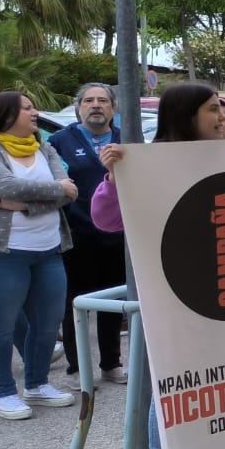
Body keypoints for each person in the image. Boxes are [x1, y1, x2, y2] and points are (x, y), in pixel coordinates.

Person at [91, 83, 225, 449]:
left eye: (224, 110)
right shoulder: (146, 165)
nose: (223, 117)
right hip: (176, 295)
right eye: (213, 109)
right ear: (186, 116)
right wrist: (116, 179)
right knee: (170, 384)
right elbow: (107, 221)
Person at [0, 92, 79, 420]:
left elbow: (70, 190)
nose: (35, 112)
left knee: (47, 322)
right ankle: (4, 394)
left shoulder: (44, 146)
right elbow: (8, 186)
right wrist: (54, 192)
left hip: (48, 248)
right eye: (27, 108)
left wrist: (26, 204)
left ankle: (37, 384)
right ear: (6, 114)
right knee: (0, 323)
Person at [46, 84, 128, 384]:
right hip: (76, 236)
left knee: (113, 302)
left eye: (103, 101)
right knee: (75, 303)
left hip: (117, 236)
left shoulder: (127, 139)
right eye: (89, 101)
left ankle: (111, 364)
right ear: (78, 106)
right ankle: (79, 366)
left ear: (114, 108)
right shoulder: (59, 141)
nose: (96, 105)